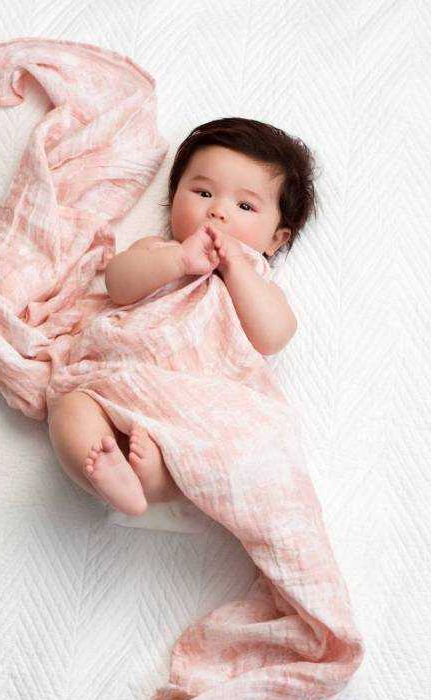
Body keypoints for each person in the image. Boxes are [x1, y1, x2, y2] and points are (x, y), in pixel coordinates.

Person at [47, 117, 318, 516]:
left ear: (276, 239)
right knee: (70, 409)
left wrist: (236, 268)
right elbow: (118, 285)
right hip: (123, 377)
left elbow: (273, 335)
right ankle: (105, 471)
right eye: (203, 192)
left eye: (244, 206)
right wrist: (178, 261)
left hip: (201, 398)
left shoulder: (257, 282)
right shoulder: (157, 250)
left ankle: (156, 481)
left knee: (223, 444)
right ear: (174, 198)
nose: (217, 211)